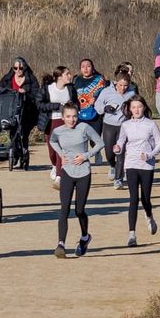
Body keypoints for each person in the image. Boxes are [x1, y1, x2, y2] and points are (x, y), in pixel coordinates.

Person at [49, 103, 104, 258]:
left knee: (79, 210)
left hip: (84, 172)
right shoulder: (58, 131)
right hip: (67, 172)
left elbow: (100, 143)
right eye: (68, 116)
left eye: (74, 116)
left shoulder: (84, 128)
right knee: (64, 208)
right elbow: (52, 141)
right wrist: (61, 154)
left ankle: (85, 237)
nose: (71, 120)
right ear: (62, 117)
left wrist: (86, 155)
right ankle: (61, 244)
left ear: (78, 115)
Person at [113, 95, 160, 247]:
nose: (136, 110)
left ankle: (149, 216)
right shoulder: (126, 125)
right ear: (129, 109)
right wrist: (118, 148)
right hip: (131, 163)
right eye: (133, 107)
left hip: (147, 164)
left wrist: (149, 155)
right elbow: (121, 141)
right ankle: (132, 235)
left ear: (144, 108)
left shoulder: (151, 124)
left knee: (145, 198)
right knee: (133, 198)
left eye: (139, 107)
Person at [0, 57, 41, 174]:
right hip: (12, 112)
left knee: (23, 133)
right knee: (13, 132)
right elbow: (0, 88)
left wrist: (26, 92)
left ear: (25, 68)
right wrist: (0, 90)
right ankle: (15, 154)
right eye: (15, 68)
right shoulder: (8, 78)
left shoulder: (31, 79)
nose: (18, 70)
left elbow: (37, 94)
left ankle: (24, 155)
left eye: (20, 68)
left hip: (27, 111)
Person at [94, 73, 134, 189]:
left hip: (124, 127)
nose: (123, 88)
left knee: (120, 153)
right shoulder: (106, 91)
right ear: (116, 83)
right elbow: (97, 105)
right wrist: (105, 108)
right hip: (109, 125)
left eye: (126, 86)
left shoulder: (132, 93)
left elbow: (137, 106)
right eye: (120, 85)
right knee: (109, 153)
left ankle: (118, 179)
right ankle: (112, 166)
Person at [41, 66, 77, 187]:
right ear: (59, 76)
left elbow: (77, 104)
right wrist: (56, 106)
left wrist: (71, 108)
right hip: (51, 121)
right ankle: (54, 165)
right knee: (52, 151)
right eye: (67, 74)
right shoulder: (47, 88)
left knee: (61, 149)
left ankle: (59, 177)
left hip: (65, 122)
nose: (70, 76)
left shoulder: (71, 88)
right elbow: (39, 104)